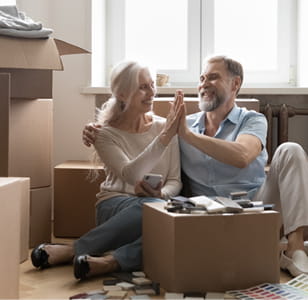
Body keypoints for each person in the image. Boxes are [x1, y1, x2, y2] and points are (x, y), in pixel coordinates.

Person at [83, 55, 308, 278]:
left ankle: (295, 249)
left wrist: (188, 136)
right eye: (201, 78)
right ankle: (111, 261)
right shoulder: (183, 125)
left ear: (235, 84)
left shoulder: (252, 120)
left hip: (258, 208)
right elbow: (144, 137)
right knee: (169, 229)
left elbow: (242, 155)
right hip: (206, 215)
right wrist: (96, 128)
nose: (203, 84)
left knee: (291, 149)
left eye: (213, 77)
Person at [31, 60, 183, 280]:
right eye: (142, 87)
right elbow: (131, 175)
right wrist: (165, 137)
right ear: (122, 94)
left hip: (157, 206)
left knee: (170, 230)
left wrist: (161, 195)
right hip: (115, 207)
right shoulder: (104, 134)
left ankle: (109, 261)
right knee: (153, 210)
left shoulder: (163, 127)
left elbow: (175, 180)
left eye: (152, 85)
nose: (151, 92)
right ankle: (76, 249)